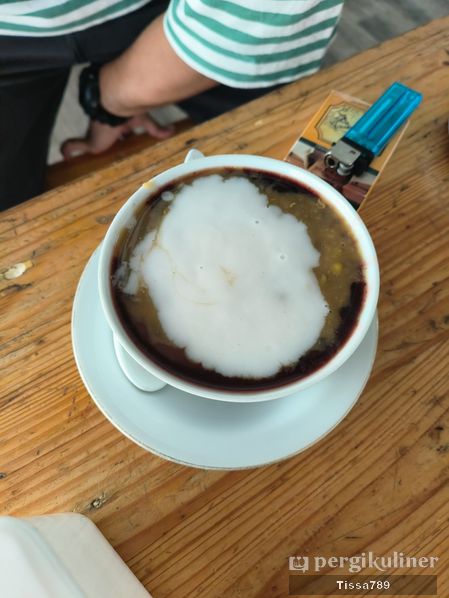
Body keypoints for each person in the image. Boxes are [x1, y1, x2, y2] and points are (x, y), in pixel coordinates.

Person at [0, 0, 344, 210]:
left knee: (297, 181)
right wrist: (111, 100)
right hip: (9, 25)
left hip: (203, 11)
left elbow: (251, 16)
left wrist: (113, 99)